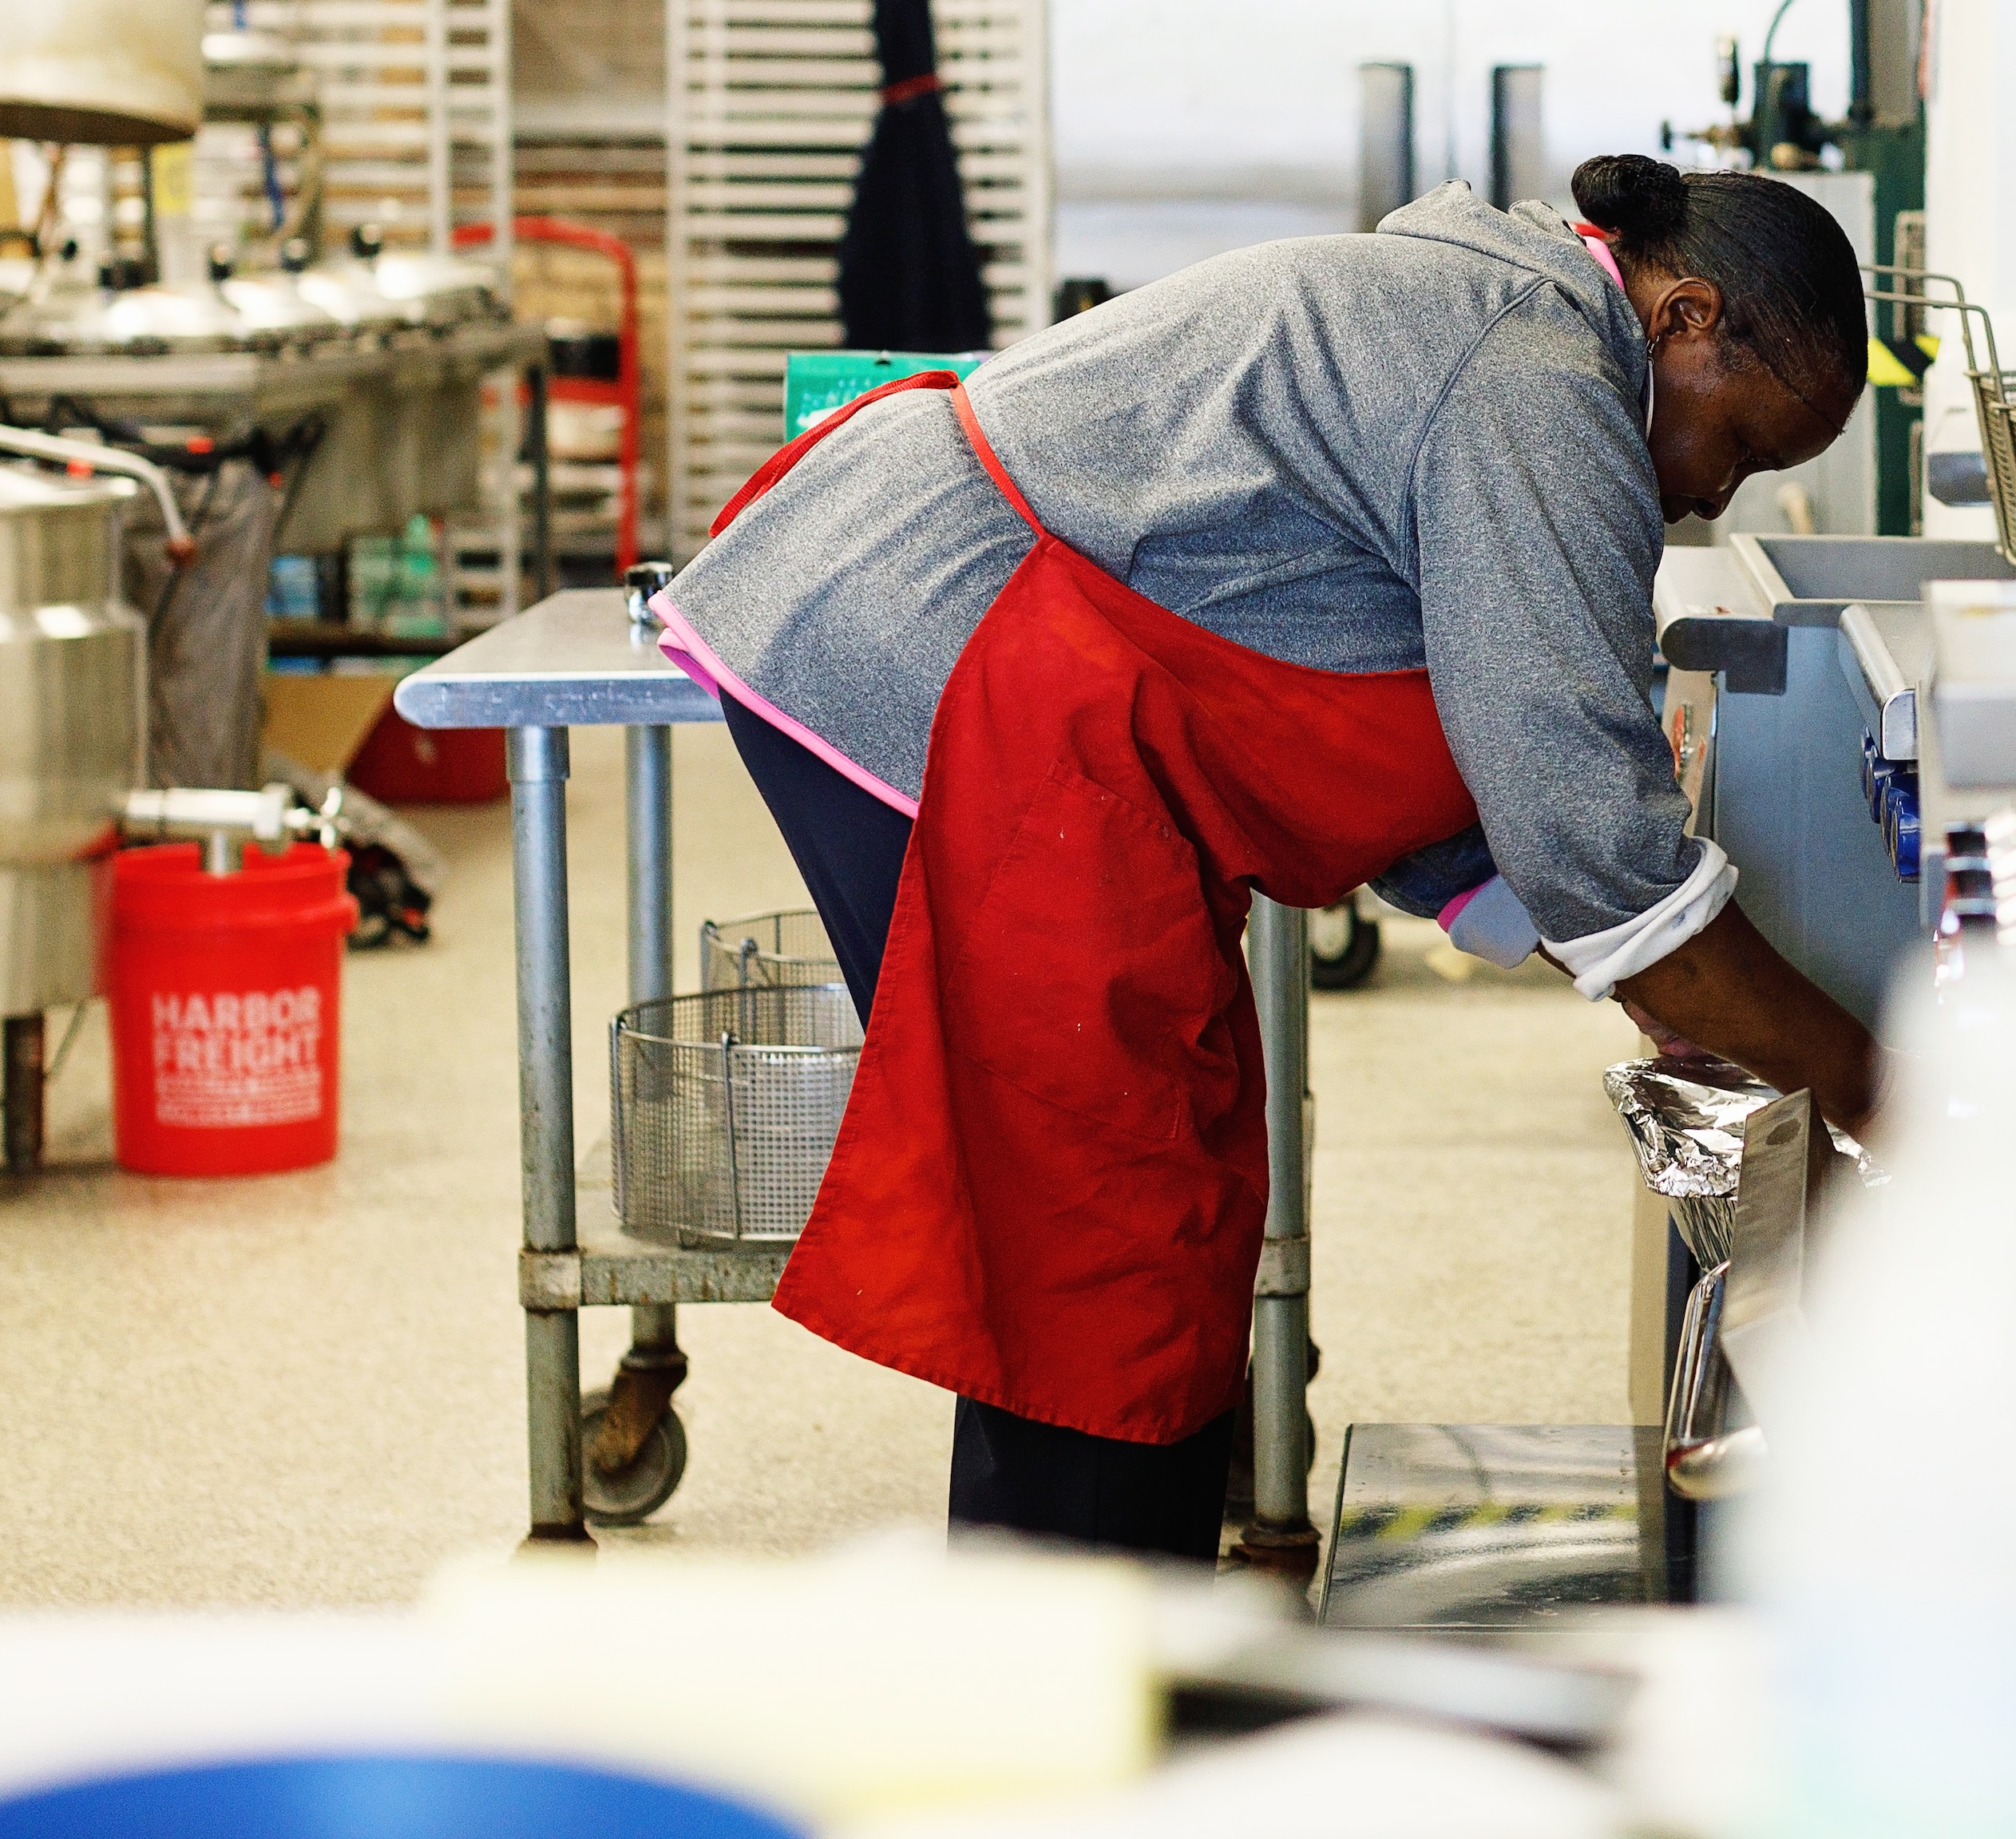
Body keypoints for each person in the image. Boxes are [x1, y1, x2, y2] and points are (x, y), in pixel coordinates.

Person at [653, 153, 1887, 1560]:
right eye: (1740, 443)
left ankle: (1120, 1628)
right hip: (950, 650)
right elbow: (1588, 836)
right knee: (1092, 1223)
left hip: (992, 655)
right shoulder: (1540, 379)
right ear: (1686, 320)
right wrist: (1875, 1094)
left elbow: (1415, 697)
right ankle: (1077, 1679)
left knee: (1129, 1202)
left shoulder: (1510, 322)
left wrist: (1648, 976)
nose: (1714, 499)